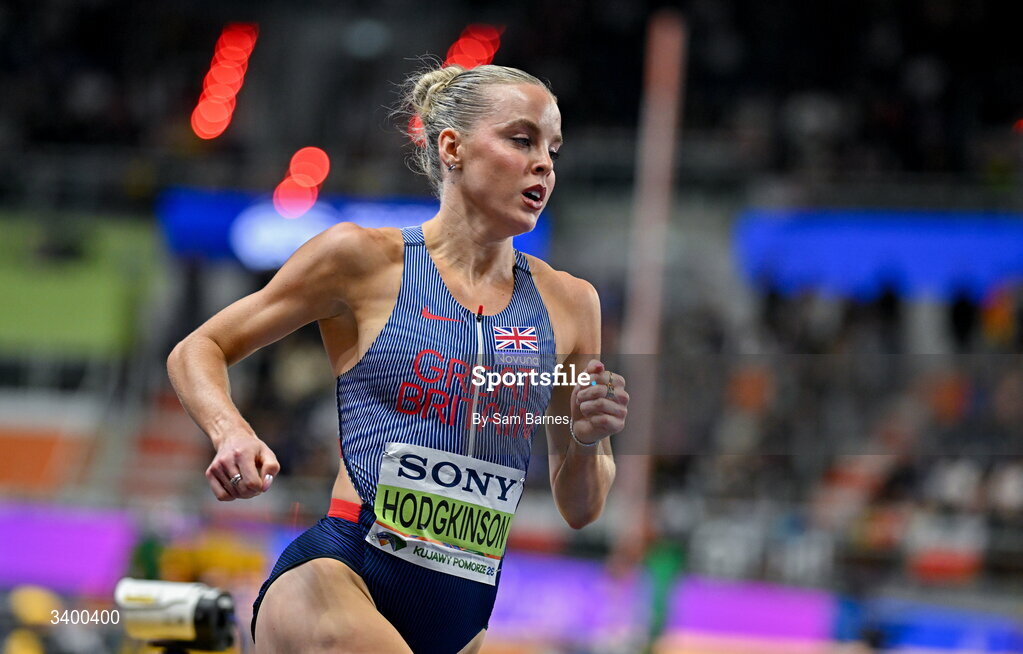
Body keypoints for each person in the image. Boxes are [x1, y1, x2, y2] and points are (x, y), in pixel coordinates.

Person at [167, 62, 629, 654]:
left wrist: (586, 440)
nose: (544, 163)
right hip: (341, 575)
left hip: (461, 615)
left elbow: (581, 507)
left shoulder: (572, 305)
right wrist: (230, 430)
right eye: (521, 140)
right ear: (453, 147)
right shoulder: (363, 260)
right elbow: (197, 348)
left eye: (553, 149)